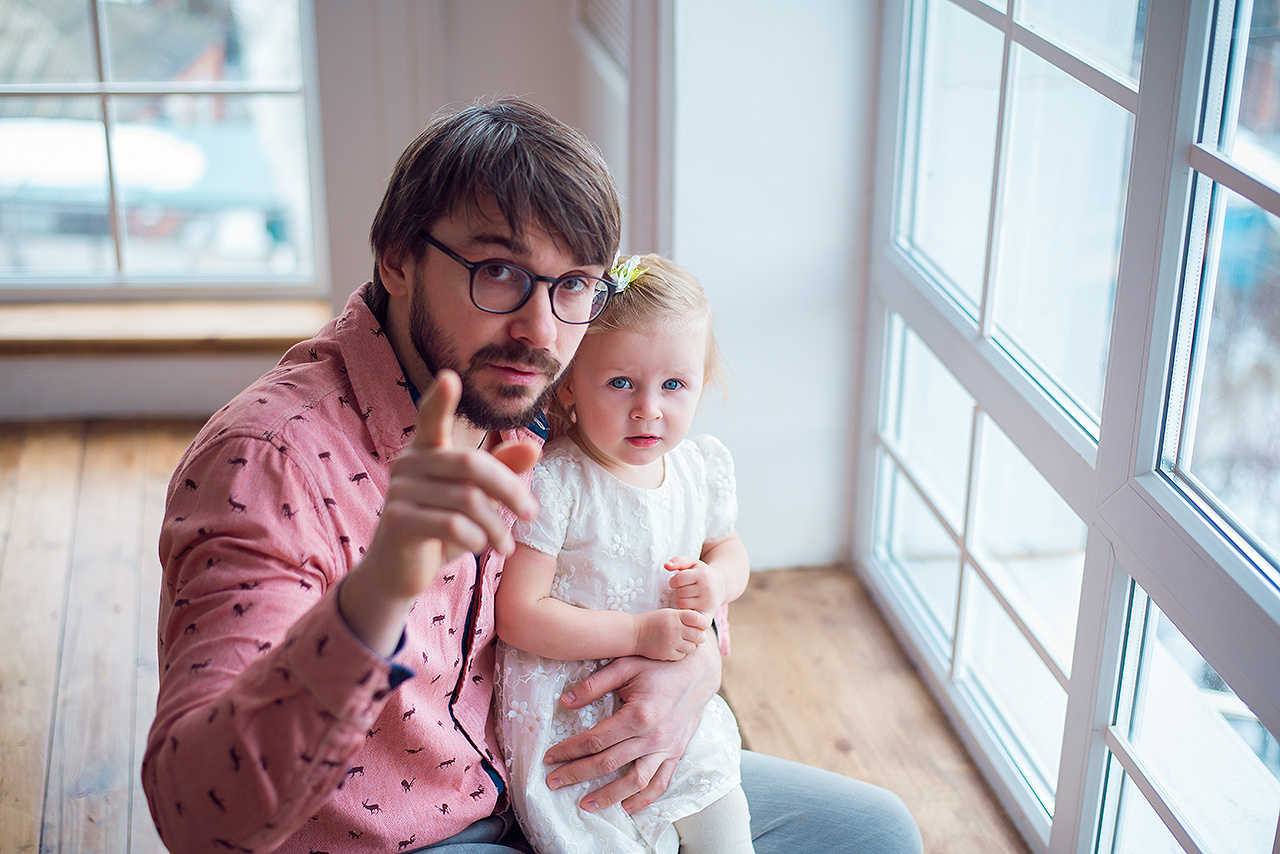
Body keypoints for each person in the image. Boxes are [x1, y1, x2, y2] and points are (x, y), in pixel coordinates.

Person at [141, 96, 923, 854]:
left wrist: (696, 661)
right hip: (402, 839)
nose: (540, 330)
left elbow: (660, 537)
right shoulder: (266, 464)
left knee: (874, 833)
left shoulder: (547, 392)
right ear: (398, 258)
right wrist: (378, 589)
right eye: (498, 272)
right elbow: (195, 816)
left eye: (573, 283)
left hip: (551, 768)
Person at [494, 256, 753, 854]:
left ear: (702, 383)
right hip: (575, 711)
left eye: (674, 385)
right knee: (606, 829)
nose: (648, 408)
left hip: (678, 699)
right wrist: (636, 632)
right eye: (620, 383)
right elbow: (519, 614)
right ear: (568, 384)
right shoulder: (559, 481)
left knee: (722, 822)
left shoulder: (698, 468)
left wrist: (718, 582)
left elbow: (729, 546)